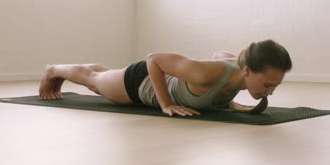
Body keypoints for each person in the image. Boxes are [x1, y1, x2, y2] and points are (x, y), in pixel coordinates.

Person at [39, 39, 292, 116]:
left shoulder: (238, 68)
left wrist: (227, 102)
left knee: (101, 77)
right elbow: (154, 59)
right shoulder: (206, 72)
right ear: (247, 71)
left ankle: (95, 72)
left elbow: (221, 53)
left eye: (275, 86)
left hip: (152, 80)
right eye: (268, 84)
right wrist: (166, 104)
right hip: (140, 84)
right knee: (93, 80)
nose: (270, 91)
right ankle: (53, 69)